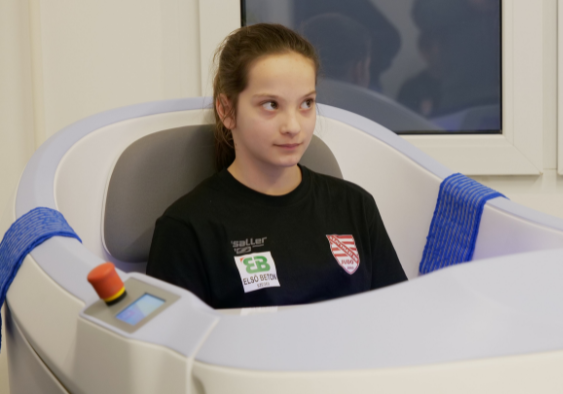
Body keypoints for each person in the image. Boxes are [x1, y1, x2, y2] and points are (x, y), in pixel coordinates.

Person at [146, 24, 407, 309]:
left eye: (306, 103)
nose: (293, 126)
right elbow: (175, 337)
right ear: (226, 110)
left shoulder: (355, 207)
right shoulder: (187, 229)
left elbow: (398, 317)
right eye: (271, 105)